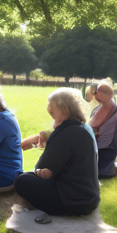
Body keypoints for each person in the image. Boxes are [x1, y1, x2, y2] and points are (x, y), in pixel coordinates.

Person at [14, 88, 100, 222]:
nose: (48, 107)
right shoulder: (84, 127)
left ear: (64, 109)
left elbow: (40, 169)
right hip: (90, 198)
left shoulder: (64, 133)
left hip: (74, 202)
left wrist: (49, 145)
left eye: (51, 105)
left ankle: (54, 210)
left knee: (21, 180)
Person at [89, 81, 117, 177]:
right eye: (95, 92)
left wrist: (116, 152)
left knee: (93, 172)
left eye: (98, 92)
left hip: (105, 151)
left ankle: (112, 167)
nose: (95, 95)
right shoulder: (96, 109)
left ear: (109, 94)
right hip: (92, 149)